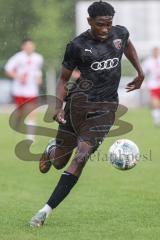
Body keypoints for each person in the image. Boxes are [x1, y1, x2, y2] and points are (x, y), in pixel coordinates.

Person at [29, 1, 144, 227]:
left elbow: (127, 45)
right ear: (90, 21)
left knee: (81, 157)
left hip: (106, 109)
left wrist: (140, 72)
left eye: (109, 24)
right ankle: (53, 148)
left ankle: (45, 211)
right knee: (60, 162)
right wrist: (57, 106)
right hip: (76, 107)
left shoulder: (119, 33)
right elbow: (63, 79)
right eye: (100, 25)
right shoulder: (77, 45)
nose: (105, 29)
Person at [5, 38, 44, 140]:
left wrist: (39, 78)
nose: (29, 48)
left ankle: (30, 137)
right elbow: (8, 70)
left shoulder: (38, 58)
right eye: (27, 46)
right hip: (19, 90)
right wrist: (18, 76)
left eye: (31, 46)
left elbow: (37, 71)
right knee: (20, 112)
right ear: (23, 47)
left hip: (31, 90)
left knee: (32, 111)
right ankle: (19, 121)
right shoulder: (17, 58)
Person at [142, 47, 160, 127]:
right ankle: (156, 120)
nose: (156, 52)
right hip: (153, 85)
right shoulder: (147, 62)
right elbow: (142, 72)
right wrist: (142, 83)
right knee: (156, 103)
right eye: (154, 51)